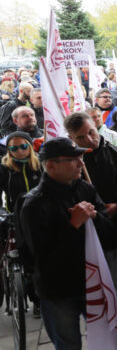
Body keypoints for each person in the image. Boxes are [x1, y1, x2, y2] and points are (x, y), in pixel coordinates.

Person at [63, 112, 117, 348]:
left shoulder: (114, 152)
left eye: (91, 132)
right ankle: (104, 332)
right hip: (86, 238)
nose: (90, 140)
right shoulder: (69, 162)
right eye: (81, 137)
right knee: (94, 290)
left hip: (116, 232)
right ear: (71, 138)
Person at [20, 138, 115, 349]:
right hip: (58, 291)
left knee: (106, 337)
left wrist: (95, 217)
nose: (81, 163)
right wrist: (73, 225)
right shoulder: (34, 203)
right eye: (73, 160)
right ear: (51, 165)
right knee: (68, 344)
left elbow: (109, 234)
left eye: (80, 157)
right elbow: (43, 259)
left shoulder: (84, 188)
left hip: (92, 281)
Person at [0, 132, 42, 315]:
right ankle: (31, 297)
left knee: (39, 257)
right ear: (8, 151)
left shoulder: (40, 164)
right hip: (14, 217)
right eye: (14, 148)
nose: (19, 151)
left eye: (23, 146)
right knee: (23, 258)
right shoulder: (4, 169)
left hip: (39, 216)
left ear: (30, 146)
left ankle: (40, 298)